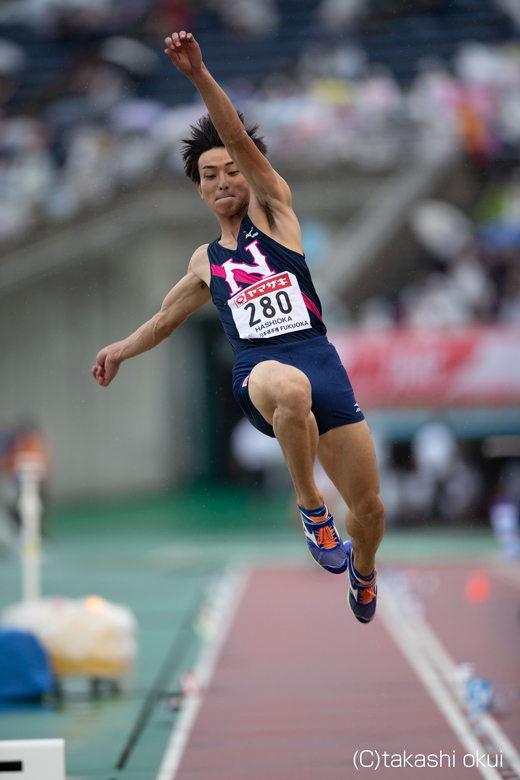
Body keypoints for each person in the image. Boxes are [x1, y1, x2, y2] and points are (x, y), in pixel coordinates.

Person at [92, 31, 385, 623]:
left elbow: (235, 138)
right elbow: (165, 320)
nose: (224, 179)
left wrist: (201, 76)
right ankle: (310, 506)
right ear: (198, 188)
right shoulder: (206, 262)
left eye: (232, 169)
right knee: (291, 392)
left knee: (373, 510)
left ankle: (364, 567)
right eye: (210, 174)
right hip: (261, 371)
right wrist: (120, 349)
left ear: (249, 175)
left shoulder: (276, 210)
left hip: (320, 360)